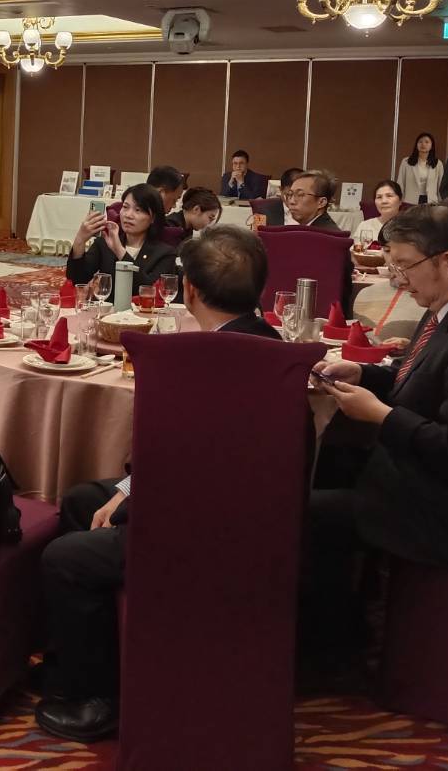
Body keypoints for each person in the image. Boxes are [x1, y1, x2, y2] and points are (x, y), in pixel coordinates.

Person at [34, 226, 279, 742]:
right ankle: (81, 657)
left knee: (65, 559)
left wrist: (133, 497)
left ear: (189, 290)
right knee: (83, 500)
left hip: (207, 523)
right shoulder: (266, 344)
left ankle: (99, 697)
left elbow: (187, 460)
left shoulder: (206, 360)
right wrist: (127, 491)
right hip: (238, 503)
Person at [302, 204, 448, 679]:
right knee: (325, 462)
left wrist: (382, 416)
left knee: (304, 512)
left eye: (404, 265)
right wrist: (366, 374)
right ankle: (345, 623)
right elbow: (428, 380)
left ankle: (330, 655)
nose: (397, 280)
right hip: (427, 477)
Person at [65, 184, 177, 294]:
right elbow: (78, 279)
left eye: (138, 210)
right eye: (125, 207)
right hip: (107, 306)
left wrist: (119, 251)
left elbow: (149, 290)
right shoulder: (104, 243)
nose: (128, 215)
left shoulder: (165, 254)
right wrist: (80, 240)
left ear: (153, 218)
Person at [395, 132, 442, 205]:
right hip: (410, 201)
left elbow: (440, 186)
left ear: (432, 146)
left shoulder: (438, 163)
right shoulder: (406, 162)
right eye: (420, 142)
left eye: (427, 142)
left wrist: (441, 203)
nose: (423, 144)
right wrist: (399, 201)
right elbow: (400, 183)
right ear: (416, 145)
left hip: (431, 201)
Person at [354, 180, 403, 246]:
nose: (384, 201)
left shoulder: (411, 227)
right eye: (379, 197)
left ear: (400, 200)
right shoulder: (365, 226)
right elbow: (356, 251)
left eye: (389, 196)